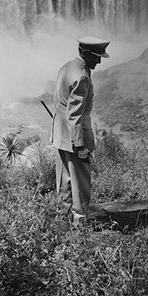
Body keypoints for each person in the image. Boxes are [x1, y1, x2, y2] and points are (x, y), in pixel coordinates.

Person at [50, 36, 109, 225]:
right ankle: (80, 221)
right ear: (84, 53)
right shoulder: (82, 76)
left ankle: (62, 217)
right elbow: (75, 115)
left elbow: (63, 104)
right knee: (81, 181)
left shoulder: (68, 67)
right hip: (75, 134)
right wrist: (81, 145)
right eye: (96, 57)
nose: (99, 61)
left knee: (64, 177)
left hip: (61, 132)